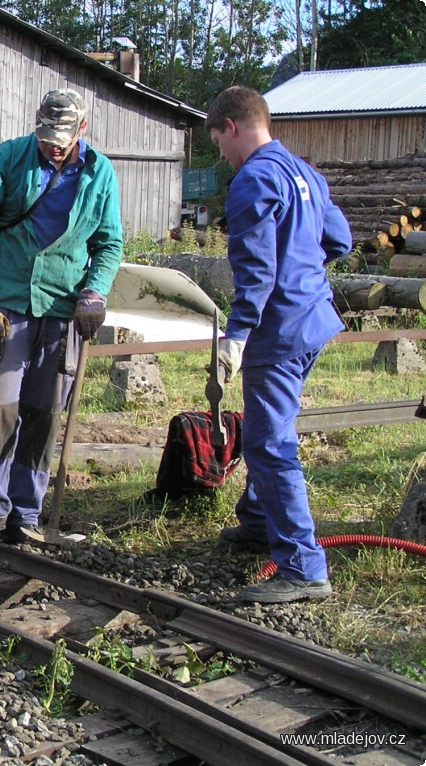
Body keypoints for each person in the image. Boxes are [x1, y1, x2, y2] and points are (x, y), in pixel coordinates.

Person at [0, 88, 124, 544]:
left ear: (81, 130)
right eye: (46, 134)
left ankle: (26, 512)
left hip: (63, 307)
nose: (52, 144)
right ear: (36, 122)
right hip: (8, 305)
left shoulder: (99, 172)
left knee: (45, 411)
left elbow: (109, 243)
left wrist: (94, 292)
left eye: (62, 137)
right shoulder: (9, 158)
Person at [206, 86, 351, 604]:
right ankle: (258, 521)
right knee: (272, 424)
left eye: (218, 141)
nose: (221, 154)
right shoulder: (303, 171)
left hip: (279, 331)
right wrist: (303, 276)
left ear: (232, 127)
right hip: (315, 320)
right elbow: (340, 241)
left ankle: (302, 567)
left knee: (270, 442)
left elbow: (257, 272)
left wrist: (238, 333)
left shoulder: (252, 182)